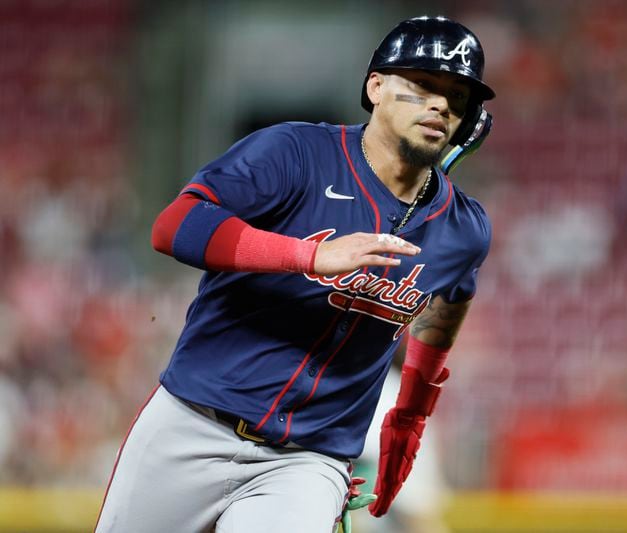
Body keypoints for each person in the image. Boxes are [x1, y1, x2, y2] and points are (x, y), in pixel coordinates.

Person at [95, 15, 494, 533]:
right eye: (422, 84)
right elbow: (174, 225)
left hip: (307, 459)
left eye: (458, 96)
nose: (440, 103)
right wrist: (305, 257)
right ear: (375, 87)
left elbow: (442, 316)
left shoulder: (463, 229)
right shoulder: (296, 153)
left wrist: (410, 418)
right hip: (191, 424)